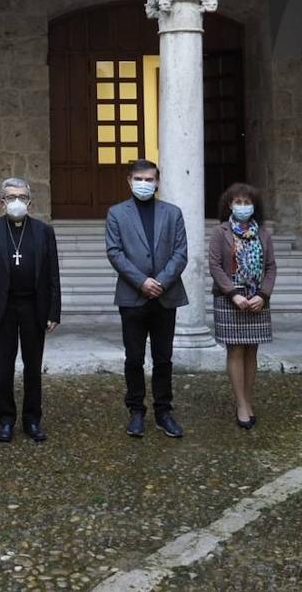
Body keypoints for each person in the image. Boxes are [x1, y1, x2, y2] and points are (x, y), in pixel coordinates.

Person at [104, 159, 188, 439]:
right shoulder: (116, 213)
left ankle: (164, 411)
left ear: (157, 182)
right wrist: (141, 281)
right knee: (134, 358)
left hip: (166, 296)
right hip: (132, 296)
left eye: (149, 179)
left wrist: (161, 281)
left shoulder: (173, 213)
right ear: (129, 181)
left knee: (163, 358)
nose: (144, 184)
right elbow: (115, 252)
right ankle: (136, 411)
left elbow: (180, 253)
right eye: (139, 179)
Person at [0, 178, 61, 443]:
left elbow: (52, 274)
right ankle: (6, 420)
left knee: (33, 367)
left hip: (34, 306)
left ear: (30, 202)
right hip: (3, 307)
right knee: (4, 367)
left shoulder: (44, 231)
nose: (17, 202)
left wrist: (54, 311)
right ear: (2, 202)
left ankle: (33, 420)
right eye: (11, 197)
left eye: (22, 197)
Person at [208, 183, 277, 430]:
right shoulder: (220, 232)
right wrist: (233, 294)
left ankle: (249, 399)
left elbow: (270, 267)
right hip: (230, 298)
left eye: (247, 202)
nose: (243, 207)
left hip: (257, 297)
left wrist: (263, 294)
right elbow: (215, 266)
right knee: (235, 350)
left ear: (254, 206)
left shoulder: (264, 234)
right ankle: (240, 403)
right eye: (238, 202)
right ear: (229, 205)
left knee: (252, 350)